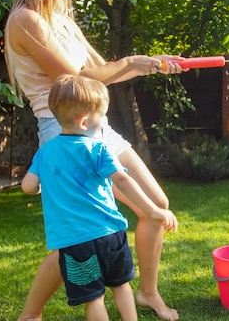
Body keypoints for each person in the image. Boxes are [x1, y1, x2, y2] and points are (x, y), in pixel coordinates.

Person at [4, 0, 185, 319]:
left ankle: (147, 292)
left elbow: (103, 71)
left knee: (156, 202)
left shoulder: (62, 21)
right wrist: (131, 62)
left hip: (95, 125)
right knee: (79, 234)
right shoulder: (25, 20)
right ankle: (30, 314)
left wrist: (150, 65)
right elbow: (71, 79)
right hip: (62, 130)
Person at [21, 74, 178, 320]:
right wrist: (152, 211)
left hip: (75, 242)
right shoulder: (99, 148)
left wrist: (43, 181)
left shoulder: (45, 152)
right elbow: (123, 181)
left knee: (94, 298)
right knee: (121, 286)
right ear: (84, 122)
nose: (105, 121)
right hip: (110, 234)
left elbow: (28, 187)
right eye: (102, 116)